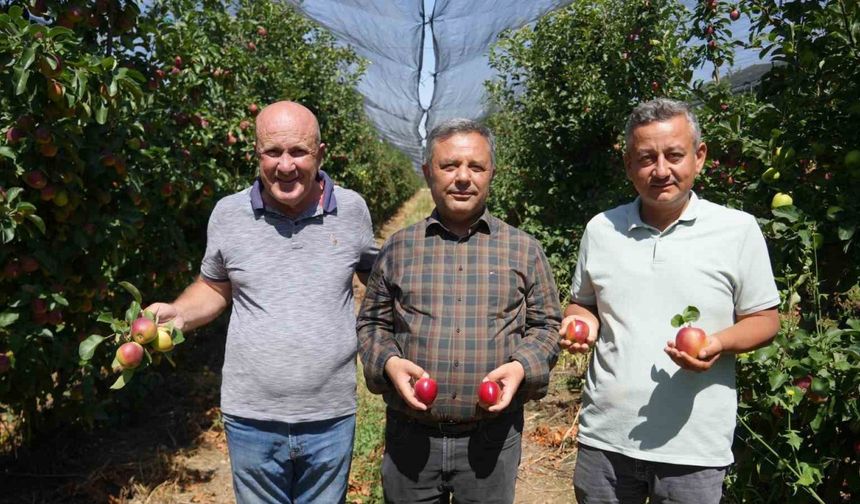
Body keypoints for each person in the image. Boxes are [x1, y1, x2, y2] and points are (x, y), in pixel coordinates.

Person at [145, 101, 377, 503]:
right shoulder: (229, 215)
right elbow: (214, 287)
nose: (285, 166)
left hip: (330, 415)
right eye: (273, 152)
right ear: (257, 155)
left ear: (320, 153)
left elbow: (376, 283)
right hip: (251, 416)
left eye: (298, 152)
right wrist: (178, 314)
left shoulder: (352, 211)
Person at [561, 98, 780, 503]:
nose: (661, 170)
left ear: (699, 157)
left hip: (693, 445)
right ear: (629, 165)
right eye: (646, 158)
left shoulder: (737, 230)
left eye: (674, 155)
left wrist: (718, 343)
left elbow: (765, 319)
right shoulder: (601, 230)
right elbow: (583, 303)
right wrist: (583, 323)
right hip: (605, 437)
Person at [357, 118, 562, 503]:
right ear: (427, 173)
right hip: (410, 437)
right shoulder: (399, 248)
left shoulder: (524, 249)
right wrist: (389, 362)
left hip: (492, 440)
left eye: (476, 167)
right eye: (449, 166)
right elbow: (371, 323)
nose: (463, 177)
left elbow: (547, 324)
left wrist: (521, 366)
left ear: (492, 174)